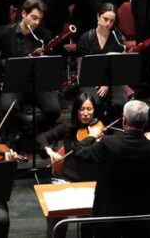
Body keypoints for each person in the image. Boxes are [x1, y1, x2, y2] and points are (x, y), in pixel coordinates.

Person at [72, 100, 150, 238]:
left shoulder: (108, 143)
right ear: (146, 122)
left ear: (124, 120)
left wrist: (91, 136)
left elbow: (79, 152)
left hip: (108, 219)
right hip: (141, 220)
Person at [0, 0, 59, 147]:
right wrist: (6, 64)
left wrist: (44, 59)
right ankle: (34, 133)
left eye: (40, 19)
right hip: (15, 82)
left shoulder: (44, 35)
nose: (37, 23)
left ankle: (25, 129)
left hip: (38, 82)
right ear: (24, 14)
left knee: (54, 109)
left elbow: (52, 62)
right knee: (7, 107)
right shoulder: (6, 32)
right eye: (34, 18)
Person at [38, 94, 103, 237]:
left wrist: (97, 138)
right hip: (68, 179)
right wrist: (49, 150)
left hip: (91, 182)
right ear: (76, 111)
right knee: (55, 211)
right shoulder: (68, 128)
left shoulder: (100, 130)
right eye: (82, 109)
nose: (86, 114)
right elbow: (42, 137)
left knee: (97, 214)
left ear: (94, 110)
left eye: (89, 109)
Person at [75, 4, 128, 120]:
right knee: (94, 102)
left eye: (111, 21)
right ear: (98, 17)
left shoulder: (117, 38)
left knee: (120, 103)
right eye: (105, 19)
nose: (108, 23)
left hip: (113, 79)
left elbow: (119, 67)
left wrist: (107, 83)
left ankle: (110, 128)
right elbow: (82, 68)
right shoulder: (86, 38)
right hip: (90, 79)